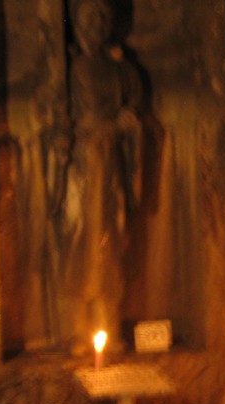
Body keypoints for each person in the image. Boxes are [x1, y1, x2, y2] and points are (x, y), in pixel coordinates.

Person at [61, 0, 144, 352]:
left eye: (102, 18)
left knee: (112, 238)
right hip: (83, 164)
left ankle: (108, 325)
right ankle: (79, 328)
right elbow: (61, 116)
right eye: (90, 18)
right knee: (81, 240)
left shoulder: (122, 69)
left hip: (111, 164)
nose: (97, 25)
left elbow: (134, 105)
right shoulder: (71, 69)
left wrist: (126, 122)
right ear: (79, 24)